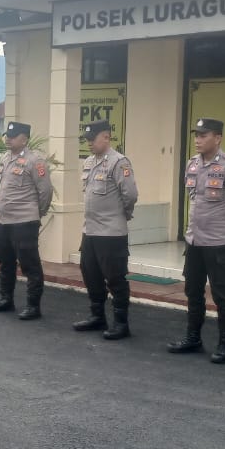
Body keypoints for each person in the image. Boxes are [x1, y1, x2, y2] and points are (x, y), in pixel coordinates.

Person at [167, 117, 225, 363]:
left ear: (218, 138)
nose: (198, 140)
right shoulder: (192, 164)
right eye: (196, 135)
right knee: (193, 291)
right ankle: (193, 338)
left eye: (203, 135)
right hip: (195, 241)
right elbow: (194, 198)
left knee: (221, 294)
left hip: (218, 243)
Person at [72, 120, 139, 340]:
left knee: (115, 278)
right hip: (90, 231)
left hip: (111, 232)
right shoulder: (89, 162)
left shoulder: (119, 162)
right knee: (90, 274)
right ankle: (97, 317)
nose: (89, 143)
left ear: (106, 137)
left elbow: (130, 195)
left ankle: (121, 324)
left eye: (93, 139)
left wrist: (122, 215)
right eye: (87, 140)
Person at [0, 121, 53, 320]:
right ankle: (5, 299)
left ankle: (33, 306)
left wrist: (37, 213)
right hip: (4, 221)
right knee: (5, 262)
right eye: (7, 135)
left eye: (13, 136)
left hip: (24, 221)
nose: (8, 139)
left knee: (29, 264)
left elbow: (45, 191)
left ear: (24, 139)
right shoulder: (5, 158)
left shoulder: (35, 161)